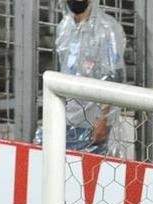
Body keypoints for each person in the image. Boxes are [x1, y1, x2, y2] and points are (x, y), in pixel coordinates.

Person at [36, 0, 128, 155]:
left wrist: (103, 120)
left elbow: (113, 77)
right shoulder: (65, 27)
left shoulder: (107, 29)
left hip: (91, 124)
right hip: (65, 117)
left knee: (88, 172)